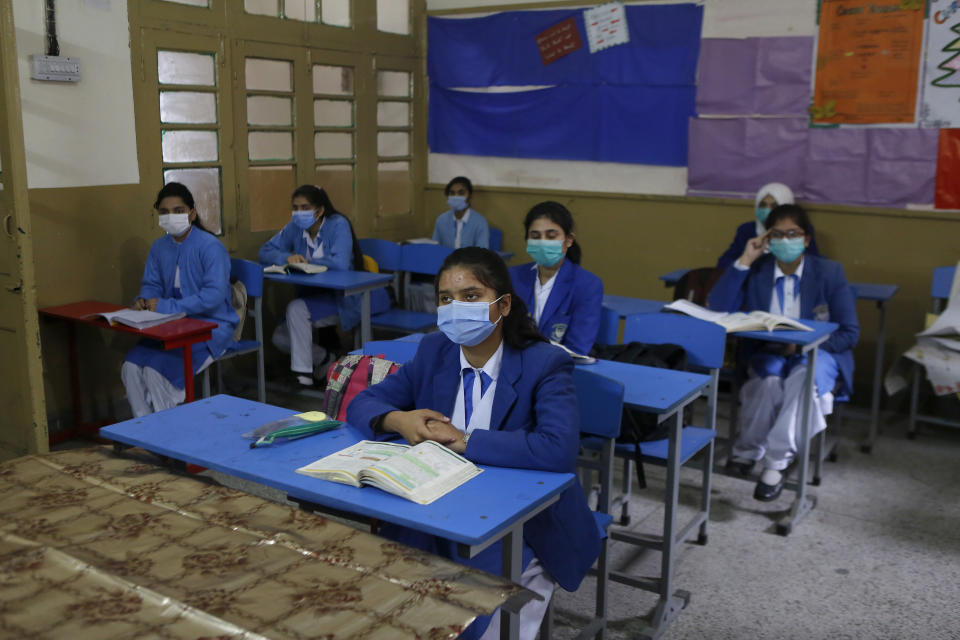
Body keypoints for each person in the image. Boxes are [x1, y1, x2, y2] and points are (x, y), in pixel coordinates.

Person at [347, 247, 602, 640]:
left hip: (522, 520)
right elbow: (364, 402)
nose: (456, 308)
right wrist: (399, 419)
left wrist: (465, 442)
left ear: (502, 305)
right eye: (446, 298)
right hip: (440, 507)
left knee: (472, 619)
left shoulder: (544, 363)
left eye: (470, 296)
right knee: (389, 594)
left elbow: (557, 449)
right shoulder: (436, 351)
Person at [708, 204, 858, 501]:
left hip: (819, 354)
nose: (785, 240)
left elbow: (849, 333)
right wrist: (745, 260)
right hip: (769, 352)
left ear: (806, 239)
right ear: (767, 239)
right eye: (778, 234)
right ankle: (748, 449)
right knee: (768, 383)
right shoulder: (759, 270)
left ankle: (776, 462)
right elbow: (718, 307)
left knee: (802, 378)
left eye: (793, 234)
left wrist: (806, 345)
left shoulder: (828, 272)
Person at [121, 182, 237, 417]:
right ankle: (144, 428)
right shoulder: (159, 247)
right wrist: (145, 300)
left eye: (178, 211)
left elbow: (214, 296)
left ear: (192, 213)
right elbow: (151, 284)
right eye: (164, 212)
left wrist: (164, 306)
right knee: (130, 367)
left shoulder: (210, 247)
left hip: (209, 327)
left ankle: (168, 437)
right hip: (168, 326)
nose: (171, 217)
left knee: (156, 372)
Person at [258, 185, 388, 386]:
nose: (299, 213)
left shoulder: (338, 224)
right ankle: (325, 360)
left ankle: (303, 377)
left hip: (346, 298)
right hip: (314, 298)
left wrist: (306, 263)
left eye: (305, 207)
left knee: (296, 309)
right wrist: (286, 257)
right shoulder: (294, 227)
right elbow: (265, 251)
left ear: (319, 210)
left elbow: (341, 263)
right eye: (295, 208)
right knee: (280, 337)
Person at [509, 201, 603, 356]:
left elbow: (577, 348)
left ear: (569, 240)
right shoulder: (512, 277)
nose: (543, 242)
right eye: (535, 236)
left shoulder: (587, 285)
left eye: (551, 236)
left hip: (558, 369)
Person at [716, 182, 821, 270]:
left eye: (774, 205)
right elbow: (723, 264)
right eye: (762, 205)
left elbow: (815, 263)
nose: (767, 210)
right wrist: (746, 260)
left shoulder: (798, 231)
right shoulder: (747, 230)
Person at [432, 176, 490, 249]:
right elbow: (435, 248)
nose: (456, 197)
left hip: (470, 260)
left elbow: (482, 253)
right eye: (452, 193)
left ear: (470, 196)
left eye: (461, 193)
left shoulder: (480, 222)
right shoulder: (441, 220)